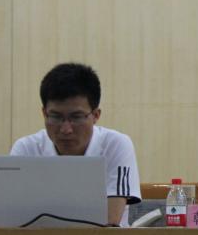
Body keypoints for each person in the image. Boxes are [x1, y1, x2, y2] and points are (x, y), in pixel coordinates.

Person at [10, 62, 141, 226]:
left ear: (96, 115)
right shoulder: (26, 149)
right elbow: (11, 219)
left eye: (76, 117)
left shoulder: (115, 145)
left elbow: (110, 220)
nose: (66, 129)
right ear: (44, 113)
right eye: (56, 117)